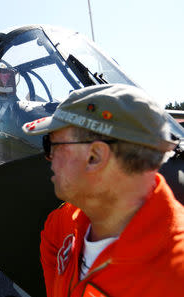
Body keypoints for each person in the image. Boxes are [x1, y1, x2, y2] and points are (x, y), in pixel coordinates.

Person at [22, 84, 184, 297]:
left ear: (95, 156)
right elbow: (51, 239)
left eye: (52, 145)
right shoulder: (70, 219)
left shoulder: (176, 273)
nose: (49, 158)